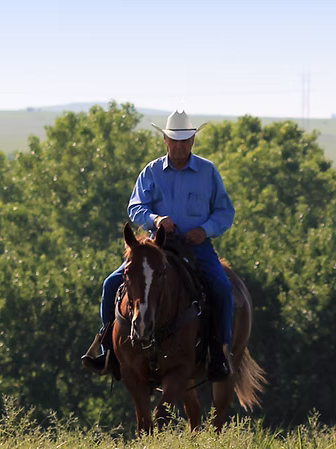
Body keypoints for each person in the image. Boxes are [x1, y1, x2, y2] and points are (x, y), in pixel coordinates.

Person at [81, 110, 235, 381]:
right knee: (110, 285)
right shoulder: (151, 171)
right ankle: (108, 352)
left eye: (185, 140)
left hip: (196, 247)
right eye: (174, 140)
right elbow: (135, 206)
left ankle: (220, 352)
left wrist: (205, 229)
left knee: (222, 288)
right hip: (156, 248)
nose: (179, 146)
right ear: (165, 140)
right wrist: (155, 219)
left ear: (193, 141)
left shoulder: (207, 171)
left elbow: (225, 212)